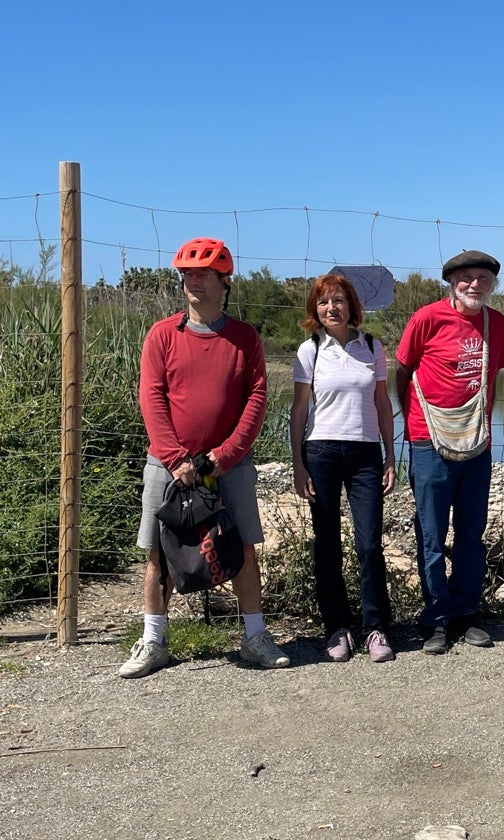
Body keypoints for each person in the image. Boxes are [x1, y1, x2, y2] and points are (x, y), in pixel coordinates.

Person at [119, 237, 289, 678]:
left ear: (224, 282)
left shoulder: (244, 338)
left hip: (228, 465)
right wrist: (177, 459)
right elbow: (152, 398)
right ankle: (154, 640)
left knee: (242, 547)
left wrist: (223, 456)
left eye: (204, 275)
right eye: (188, 275)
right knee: (159, 551)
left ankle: (255, 637)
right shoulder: (161, 335)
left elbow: (256, 399)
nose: (194, 282)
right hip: (167, 464)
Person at [395, 250, 504, 655]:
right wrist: (414, 428)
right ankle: (435, 619)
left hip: (477, 444)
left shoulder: (497, 324)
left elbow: (493, 378)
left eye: (483, 277)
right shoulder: (426, 318)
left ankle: (465, 614)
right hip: (429, 441)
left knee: (471, 534)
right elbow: (402, 372)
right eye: (466, 277)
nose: (474, 284)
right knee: (430, 534)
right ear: (451, 281)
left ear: (492, 284)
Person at [290, 274, 396, 663]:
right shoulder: (310, 350)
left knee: (369, 544)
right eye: (322, 302)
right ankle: (337, 627)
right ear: (314, 310)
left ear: (352, 306)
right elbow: (299, 409)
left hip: (365, 453)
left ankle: (376, 627)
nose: (330, 308)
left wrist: (389, 455)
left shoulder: (372, 346)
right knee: (328, 544)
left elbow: (383, 403)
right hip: (321, 453)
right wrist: (298, 463)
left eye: (337, 300)